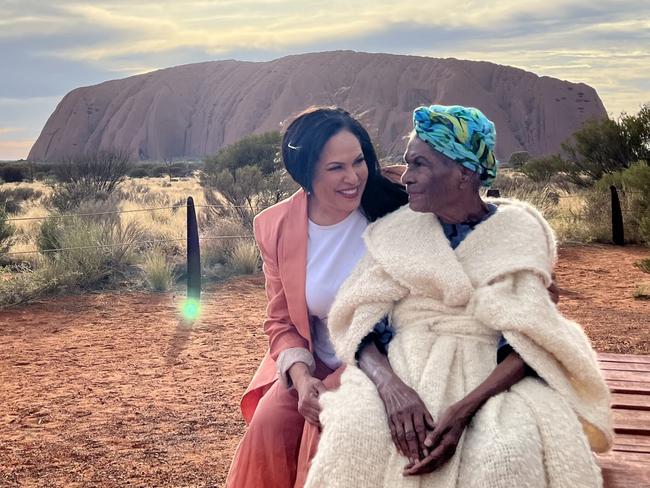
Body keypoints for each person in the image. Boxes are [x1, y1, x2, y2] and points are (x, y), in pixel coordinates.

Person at [304, 105, 612, 488]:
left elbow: (532, 334)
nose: (408, 179)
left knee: (507, 451)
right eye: (407, 164)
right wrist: (392, 389)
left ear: (464, 173)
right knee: (354, 430)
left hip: (492, 371)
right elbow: (358, 317)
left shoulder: (518, 231)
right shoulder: (394, 232)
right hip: (403, 363)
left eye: (419, 165)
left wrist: (465, 410)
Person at [225, 107, 411, 488]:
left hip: (386, 355)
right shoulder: (274, 225)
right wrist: (301, 375)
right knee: (268, 426)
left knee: (322, 431)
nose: (353, 177)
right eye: (335, 168)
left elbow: (468, 199)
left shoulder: (397, 197)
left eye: (359, 161)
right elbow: (280, 320)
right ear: (306, 173)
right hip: (314, 362)